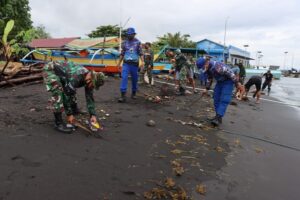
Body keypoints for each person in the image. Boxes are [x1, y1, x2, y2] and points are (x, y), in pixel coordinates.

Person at [43, 61, 105, 133]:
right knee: (58, 92)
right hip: (51, 70)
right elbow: (66, 95)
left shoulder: (90, 78)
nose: (91, 87)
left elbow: (90, 97)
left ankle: (74, 110)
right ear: (90, 78)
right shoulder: (76, 77)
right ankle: (58, 123)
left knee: (71, 89)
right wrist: (69, 114)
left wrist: (92, 115)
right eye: (92, 84)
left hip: (64, 73)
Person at [196, 58, 244, 126]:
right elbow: (210, 78)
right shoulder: (207, 69)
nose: (202, 69)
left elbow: (231, 74)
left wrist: (237, 84)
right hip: (220, 82)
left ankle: (218, 117)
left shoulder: (217, 66)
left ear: (206, 63)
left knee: (224, 99)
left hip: (228, 82)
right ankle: (217, 117)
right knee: (216, 98)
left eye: (203, 67)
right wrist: (206, 89)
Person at [117, 27, 144, 103]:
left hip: (135, 64)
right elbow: (122, 54)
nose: (129, 36)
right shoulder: (124, 43)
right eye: (128, 34)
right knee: (124, 77)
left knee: (135, 79)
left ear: (134, 34)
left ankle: (133, 93)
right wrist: (119, 63)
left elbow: (141, 53)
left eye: (131, 34)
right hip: (126, 64)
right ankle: (122, 96)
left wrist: (143, 62)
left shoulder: (138, 42)